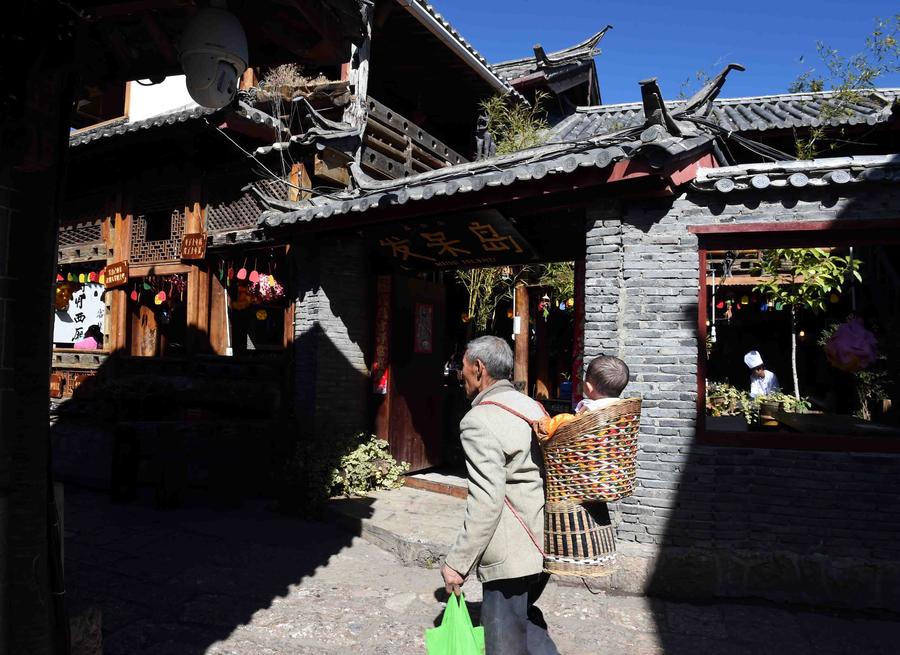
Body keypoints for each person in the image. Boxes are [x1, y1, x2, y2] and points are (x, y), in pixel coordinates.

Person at [441, 335, 559, 655]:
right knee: (525, 625)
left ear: (479, 369)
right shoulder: (531, 406)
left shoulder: (479, 421)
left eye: (462, 368)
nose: (459, 375)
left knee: (505, 643)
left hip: (509, 550)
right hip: (541, 540)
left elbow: (487, 500)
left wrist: (457, 563)